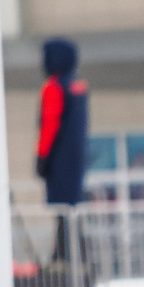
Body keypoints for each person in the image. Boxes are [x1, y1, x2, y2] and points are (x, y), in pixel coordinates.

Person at [34, 38, 89, 207]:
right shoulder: (78, 86)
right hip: (77, 160)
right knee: (74, 210)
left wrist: (42, 158)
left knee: (61, 212)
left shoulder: (53, 87)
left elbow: (50, 125)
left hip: (58, 162)